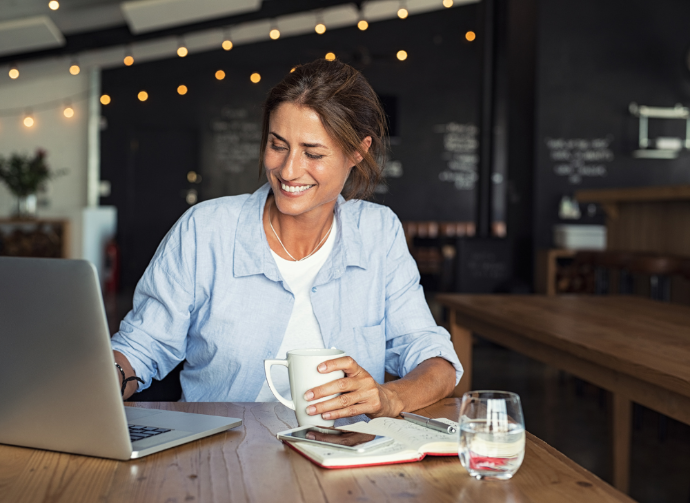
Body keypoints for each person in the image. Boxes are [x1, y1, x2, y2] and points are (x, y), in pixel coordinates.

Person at [111, 58, 462, 421]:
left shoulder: (378, 233)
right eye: (278, 145)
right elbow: (141, 346)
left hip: (347, 462)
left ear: (358, 152)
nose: (289, 170)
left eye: (313, 153)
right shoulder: (206, 229)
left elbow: (436, 362)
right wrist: (104, 379)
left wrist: (389, 398)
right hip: (221, 459)